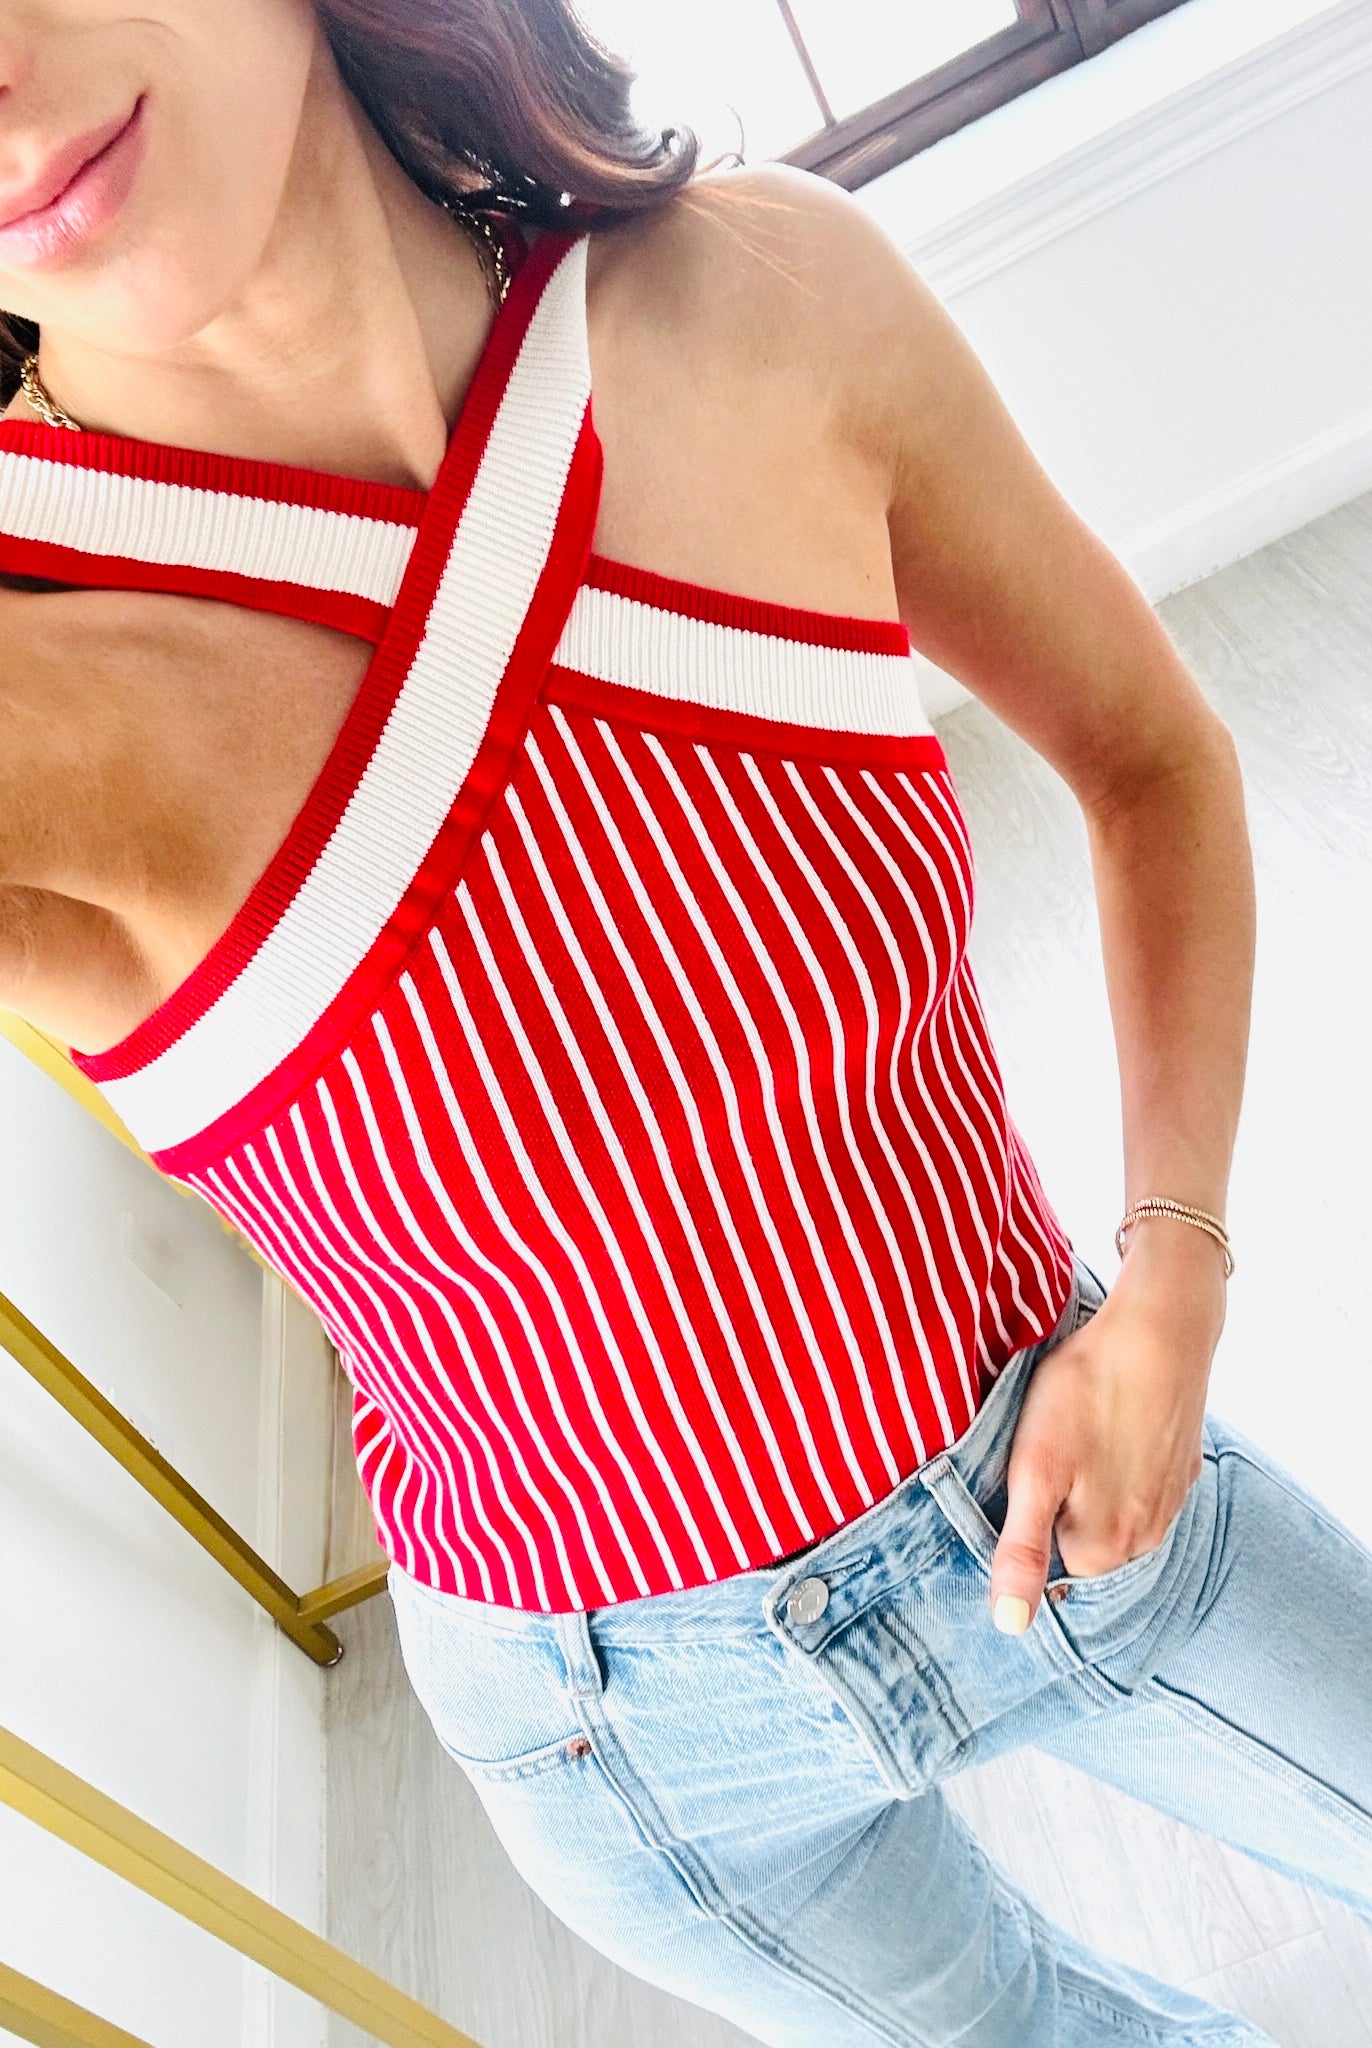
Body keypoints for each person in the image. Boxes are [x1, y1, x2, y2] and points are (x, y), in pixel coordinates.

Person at [0, 5, 1367, 2043]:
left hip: (1066, 1469)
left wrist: (1171, 1281)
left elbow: (1148, 758)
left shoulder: (771, 297)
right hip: (619, 1732)